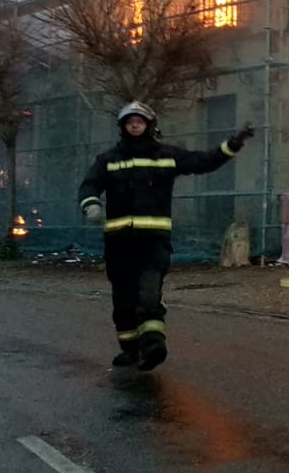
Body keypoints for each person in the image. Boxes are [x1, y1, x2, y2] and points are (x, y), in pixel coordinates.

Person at [78, 101, 254, 371]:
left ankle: (153, 346)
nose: (135, 125)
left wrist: (233, 145)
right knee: (123, 300)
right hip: (119, 245)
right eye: (130, 121)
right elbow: (90, 184)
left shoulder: (167, 156)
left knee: (149, 295)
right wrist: (90, 203)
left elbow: (204, 161)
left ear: (149, 125)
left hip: (153, 244)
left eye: (140, 121)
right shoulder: (108, 160)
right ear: (123, 127)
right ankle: (130, 349)